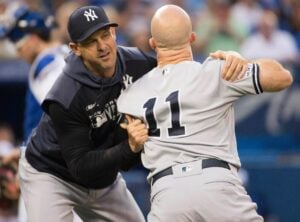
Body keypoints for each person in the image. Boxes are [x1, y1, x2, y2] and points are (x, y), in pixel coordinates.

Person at [117, 4, 293, 222]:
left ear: (153, 43)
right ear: (192, 37)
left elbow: (119, 147)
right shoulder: (216, 71)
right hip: (216, 183)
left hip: (167, 193)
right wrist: (241, 60)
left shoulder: (131, 94)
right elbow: (282, 77)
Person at [18, 5, 156, 222]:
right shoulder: (66, 95)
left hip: (102, 178)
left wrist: (222, 62)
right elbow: (81, 166)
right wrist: (128, 147)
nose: (102, 46)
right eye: (91, 41)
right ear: (75, 48)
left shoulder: (136, 62)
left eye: (105, 34)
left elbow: (176, 68)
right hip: (51, 173)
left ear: (114, 33)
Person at [0, 3, 69, 142]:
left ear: (33, 39)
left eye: (19, 48)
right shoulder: (64, 52)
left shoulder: (46, 64)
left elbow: (63, 117)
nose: (19, 55)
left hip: (51, 157)